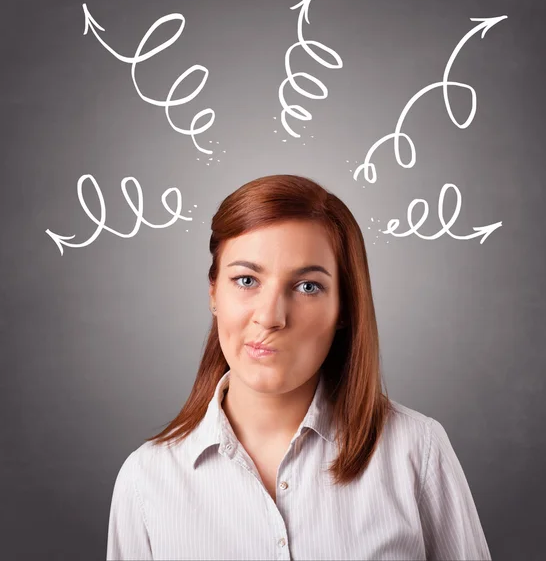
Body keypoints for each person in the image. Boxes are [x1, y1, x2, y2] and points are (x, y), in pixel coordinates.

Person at [106, 174, 492, 560]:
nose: (271, 317)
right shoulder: (146, 480)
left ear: (344, 308)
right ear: (213, 294)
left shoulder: (417, 452)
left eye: (307, 286)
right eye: (246, 280)